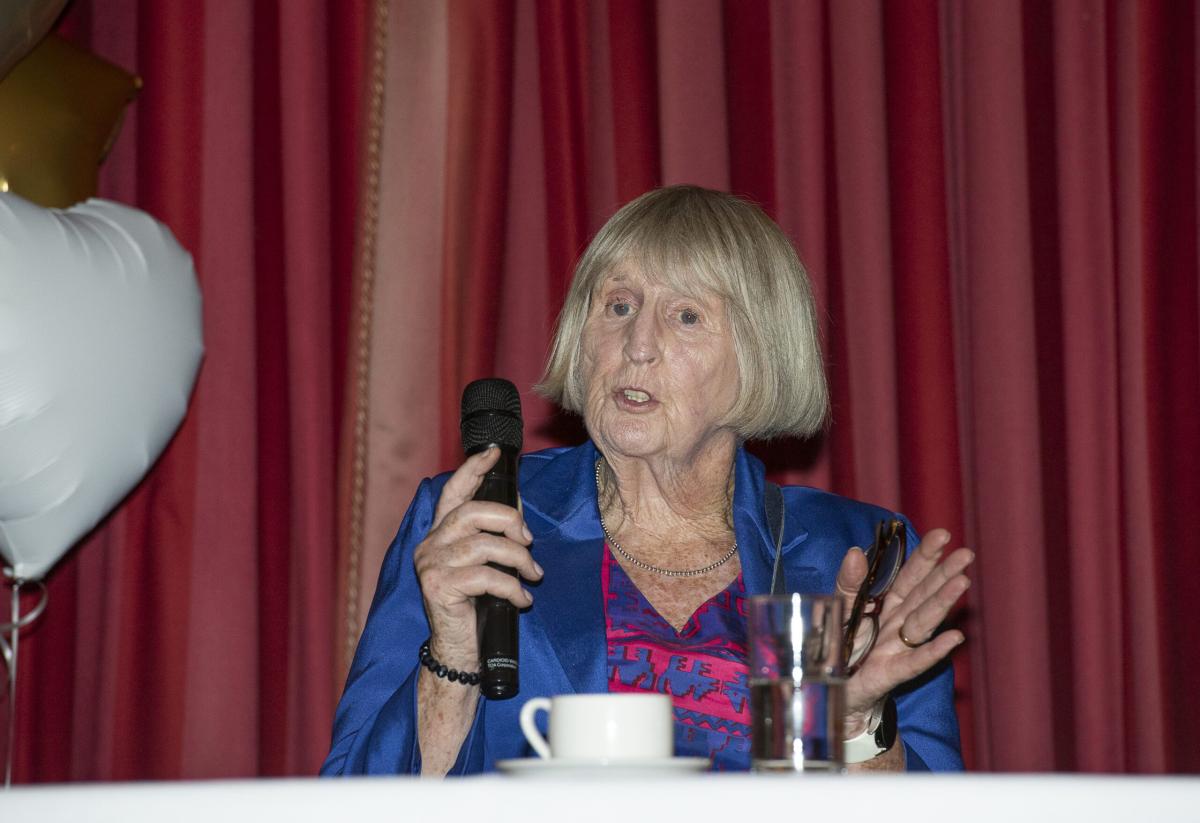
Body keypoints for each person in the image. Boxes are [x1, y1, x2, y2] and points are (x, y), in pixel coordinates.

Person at [321, 185, 972, 776]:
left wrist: (853, 728)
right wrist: (452, 659)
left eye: (685, 316)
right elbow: (353, 803)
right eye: (618, 305)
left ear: (761, 354)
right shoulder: (477, 521)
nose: (638, 343)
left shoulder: (848, 553)